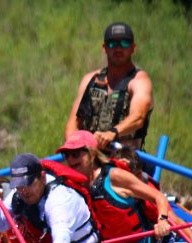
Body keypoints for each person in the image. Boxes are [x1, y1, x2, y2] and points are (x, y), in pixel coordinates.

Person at [56, 130, 192, 243]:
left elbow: (159, 197)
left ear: (92, 153)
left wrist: (163, 220)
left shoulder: (115, 176)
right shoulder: (73, 185)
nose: (70, 160)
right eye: (66, 155)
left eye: (75, 154)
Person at [0, 153, 104, 243]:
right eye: (19, 185)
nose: (23, 190)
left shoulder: (60, 197)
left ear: (42, 177)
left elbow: (62, 235)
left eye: (28, 184)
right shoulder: (19, 193)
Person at [65, 22, 153, 173]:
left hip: (124, 160)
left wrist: (112, 133)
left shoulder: (139, 81)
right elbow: (73, 123)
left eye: (124, 42)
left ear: (133, 47)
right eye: (112, 43)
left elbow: (138, 118)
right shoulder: (89, 80)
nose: (118, 48)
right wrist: (73, 149)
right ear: (104, 48)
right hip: (89, 158)